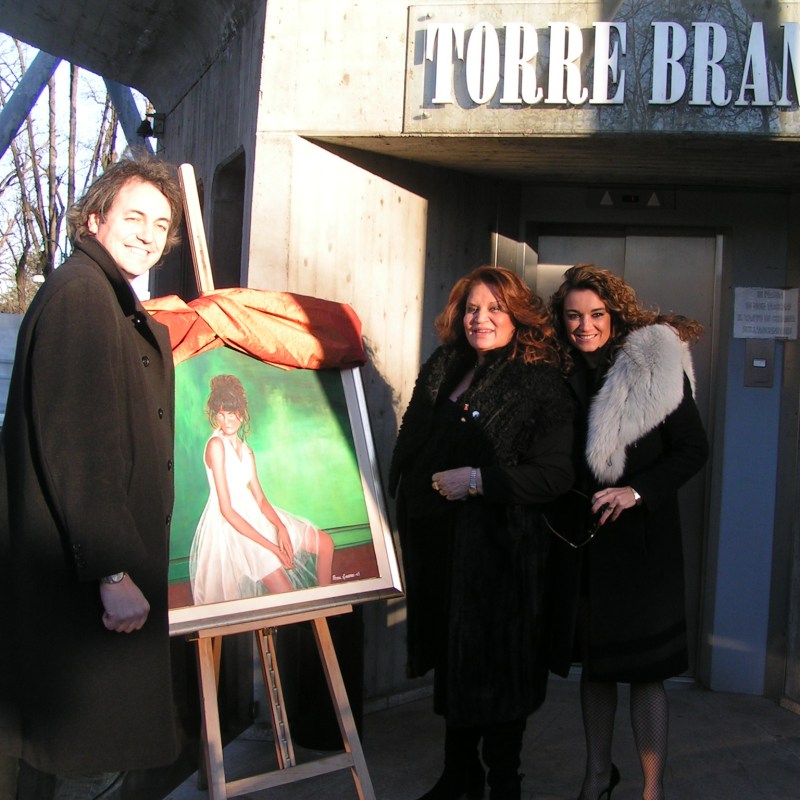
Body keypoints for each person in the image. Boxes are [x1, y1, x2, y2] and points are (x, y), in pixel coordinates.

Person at [0, 155, 184, 799]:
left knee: (81, 759)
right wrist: (112, 570)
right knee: (87, 762)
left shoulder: (99, 294)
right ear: (95, 219)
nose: (147, 233)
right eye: (134, 217)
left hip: (89, 583)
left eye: (160, 224)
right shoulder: (83, 297)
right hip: (90, 590)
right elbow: (78, 447)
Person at [389, 266, 575, 800]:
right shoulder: (448, 365)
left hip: (503, 558)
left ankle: (504, 784)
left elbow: (555, 475)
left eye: (495, 308)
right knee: (455, 666)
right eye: (472, 308)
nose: (481, 318)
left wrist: (478, 480)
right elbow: (417, 442)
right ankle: (459, 775)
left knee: (499, 675)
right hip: (446, 554)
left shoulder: (539, 381)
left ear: (517, 315)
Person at [548, 264, 709, 800]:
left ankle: (651, 789)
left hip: (644, 544)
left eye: (595, 314)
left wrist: (635, 491)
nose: (584, 326)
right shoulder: (556, 367)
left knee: (647, 671)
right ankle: (597, 775)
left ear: (615, 315)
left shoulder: (653, 366)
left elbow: (693, 450)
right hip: (587, 543)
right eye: (573, 315)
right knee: (596, 669)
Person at [189, 373, 335, 602]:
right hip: (233, 528)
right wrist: (273, 548)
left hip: (255, 515)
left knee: (325, 543)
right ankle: (312, 620)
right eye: (220, 414)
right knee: (287, 596)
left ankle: (327, 608)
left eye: (232, 413)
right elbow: (226, 511)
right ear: (214, 415)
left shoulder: (247, 451)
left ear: (242, 413)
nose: (227, 421)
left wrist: (280, 527)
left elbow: (260, 499)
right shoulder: (216, 446)